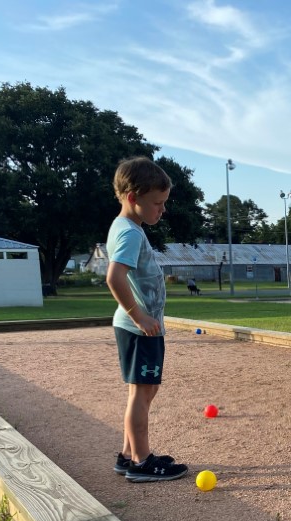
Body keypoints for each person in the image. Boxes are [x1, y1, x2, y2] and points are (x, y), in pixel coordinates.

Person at [105, 157, 188, 482]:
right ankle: (141, 461)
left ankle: (128, 455)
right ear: (132, 197)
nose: (162, 210)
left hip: (141, 327)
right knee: (142, 391)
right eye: (157, 203)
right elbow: (115, 277)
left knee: (144, 390)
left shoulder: (128, 228)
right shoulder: (129, 233)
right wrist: (138, 315)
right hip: (139, 328)